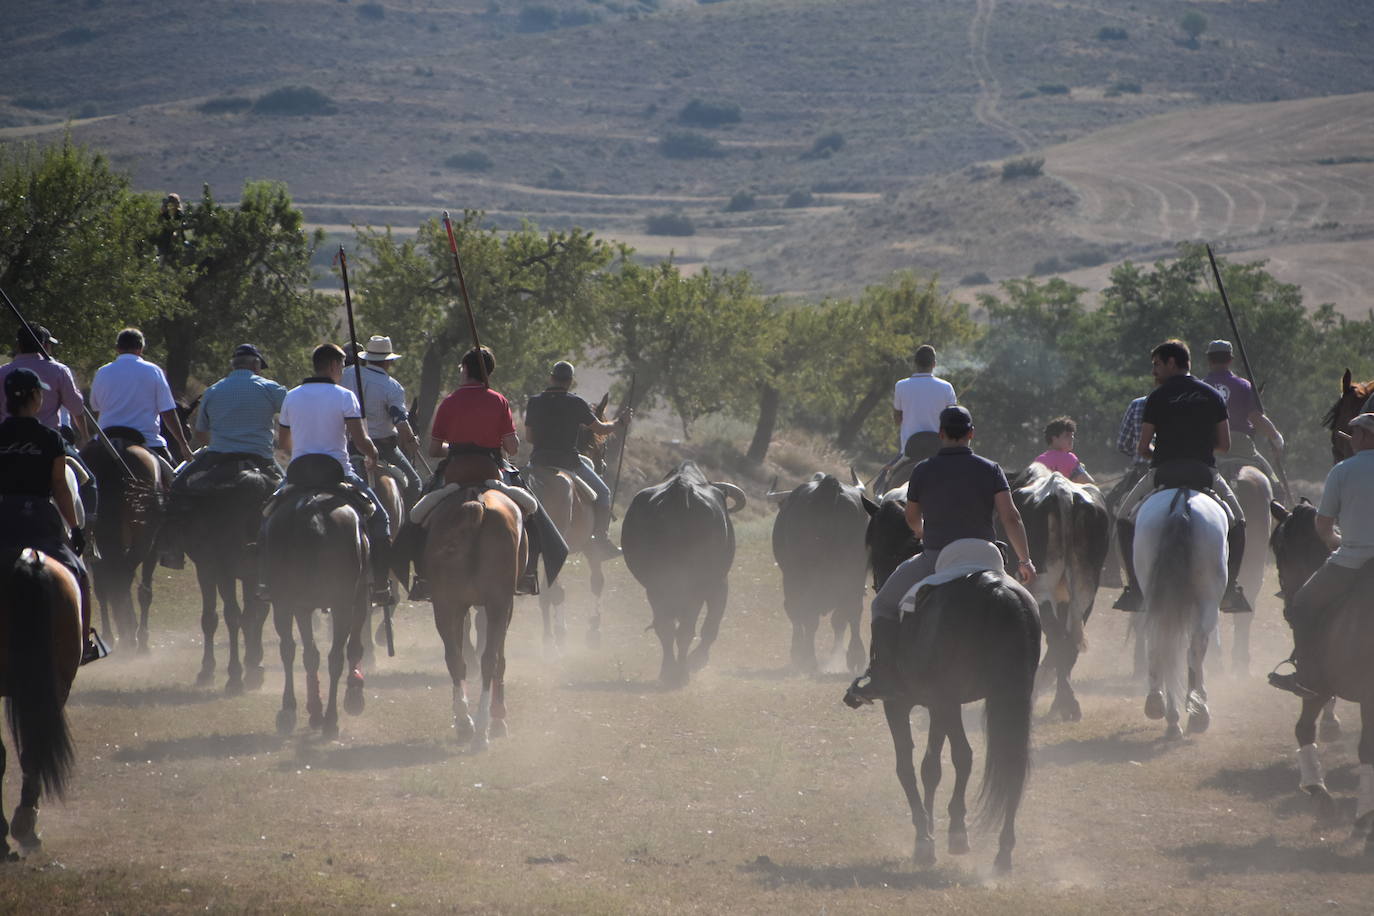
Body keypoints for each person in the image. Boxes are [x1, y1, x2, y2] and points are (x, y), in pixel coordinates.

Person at [845, 405, 1037, 705]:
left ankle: (882, 675)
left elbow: (911, 517)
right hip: (988, 556)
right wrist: (1025, 560)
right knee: (1025, 607)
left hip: (938, 557)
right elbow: (1011, 518)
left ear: (941, 435)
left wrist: (922, 533)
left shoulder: (923, 470)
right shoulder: (991, 469)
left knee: (883, 604)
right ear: (971, 434)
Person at [1112, 339, 1250, 613]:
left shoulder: (1157, 397)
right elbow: (1224, 446)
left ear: (1172, 363)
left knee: (1123, 520)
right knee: (1239, 523)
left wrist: (1165, 452)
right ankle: (1230, 588)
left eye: (1157, 364)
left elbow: (1143, 447)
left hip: (1164, 472)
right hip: (1204, 473)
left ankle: (1134, 589)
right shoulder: (1212, 395)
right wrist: (1196, 448)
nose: (1154, 371)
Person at [273, 343, 392, 605]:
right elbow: (360, 441)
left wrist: (304, 449)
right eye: (341, 366)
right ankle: (382, 585)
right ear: (334, 366)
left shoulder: (292, 396)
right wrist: (372, 454)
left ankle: (265, 579)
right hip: (337, 472)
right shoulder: (345, 396)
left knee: (268, 513)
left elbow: (283, 443)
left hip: (299, 473)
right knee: (381, 519)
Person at [1268, 412, 1374, 697]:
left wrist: (1334, 541)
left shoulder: (1342, 471)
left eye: (1355, 434)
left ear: (1363, 436)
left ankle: (1307, 675)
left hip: (1349, 563)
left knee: (1301, 606)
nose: (1351, 440)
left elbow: (1323, 525)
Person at [0, 369, 102, 663]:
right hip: (40, 519)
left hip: (3, 517)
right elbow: (60, 486)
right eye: (40, 393)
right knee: (79, 574)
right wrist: (75, 527)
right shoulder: (50, 438)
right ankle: (83, 643)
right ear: (33, 397)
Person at [525, 360, 629, 558]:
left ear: (551, 377)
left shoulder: (535, 401)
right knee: (604, 492)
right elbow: (600, 429)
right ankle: (600, 539)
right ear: (570, 381)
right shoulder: (576, 403)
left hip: (537, 462)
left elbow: (529, 437)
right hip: (568, 463)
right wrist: (621, 422)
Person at [0, 324, 97, 520]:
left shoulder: (2, 372)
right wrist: (85, 436)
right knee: (89, 482)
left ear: (18, 346)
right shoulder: (59, 370)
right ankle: (86, 532)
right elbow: (77, 408)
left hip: (5, 439)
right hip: (49, 440)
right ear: (45, 345)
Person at [89, 328, 192, 471]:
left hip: (106, 440)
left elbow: (96, 409)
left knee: (83, 482)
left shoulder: (102, 372)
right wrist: (183, 444)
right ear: (141, 348)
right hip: (147, 440)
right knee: (173, 484)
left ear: (117, 348)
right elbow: (167, 411)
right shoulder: (154, 371)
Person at [341, 336, 423, 502]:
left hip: (349, 446)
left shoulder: (346, 375)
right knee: (415, 483)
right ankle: (408, 528)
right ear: (388, 362)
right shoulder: (392, 386)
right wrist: (411, 440)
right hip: (383, 448)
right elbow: (400, 422)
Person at [1201, 339, 1284, 483]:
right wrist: (1276, 438)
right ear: (1230, 360)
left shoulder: (1200, 387)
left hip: (1209, 447)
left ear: (1209, 360)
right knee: (1274, 481)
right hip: (1241, 445)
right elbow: (1256, 418)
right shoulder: (1244, 385)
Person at [893, 344, 958, 462]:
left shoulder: (901, 386)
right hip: (939, 452)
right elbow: (953, 422)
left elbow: (897, 420)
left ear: (915, 363)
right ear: (934, 364)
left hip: (908, 452)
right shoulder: (946, 387)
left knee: (886, 478)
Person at [1033, 416, 1093, 483]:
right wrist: (1080, 468)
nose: (1072, 438)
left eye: (1072, 435)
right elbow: (1089, 482)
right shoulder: (1069, 458)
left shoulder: (1038, 461)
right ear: (1054, 438)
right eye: (1067, 435)